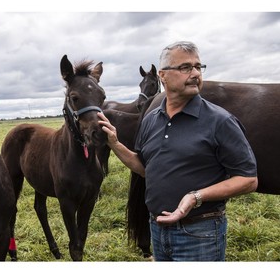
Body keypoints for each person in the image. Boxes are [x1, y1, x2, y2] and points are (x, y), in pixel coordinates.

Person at [97, 41, 258, 261]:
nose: (194, 74)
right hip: (157, 229)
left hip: (200, 233)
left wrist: (195, 197)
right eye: (185, 67)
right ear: (162, 76)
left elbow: (248, 179)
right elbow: (144, 169)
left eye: (198, 67)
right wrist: (114, 143)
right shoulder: (151, 120)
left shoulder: (220, 121)